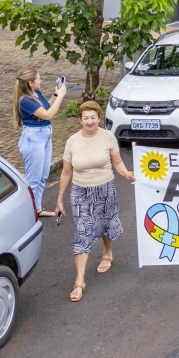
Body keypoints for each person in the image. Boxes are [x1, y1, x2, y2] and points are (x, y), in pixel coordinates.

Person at [55, 101, 135, 302]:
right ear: (80, 119)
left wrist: (126, 173)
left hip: (105, 188)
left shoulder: (108, 137)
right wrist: (59, 200)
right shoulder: (72, 141)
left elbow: (117, 162)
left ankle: (107, 251)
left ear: (99, 118)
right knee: (82, 231)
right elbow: (66, 172)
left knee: (105, 224)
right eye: (85, 118)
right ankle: (79, 281)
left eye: (93, 117)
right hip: (81, 192)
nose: (89, 121)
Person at [14, 67, 67, 218]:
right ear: (30, 83)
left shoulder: (35, 93)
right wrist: (62, 96)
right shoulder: (25, 100)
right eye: (38, 79)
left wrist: (55, 95)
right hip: (33, 139)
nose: (41, 80)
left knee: (43, 176)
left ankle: (37, 208)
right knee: (33, 179)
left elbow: (46, 107)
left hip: (44, 137)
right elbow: (48, 115)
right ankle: (29, 212)